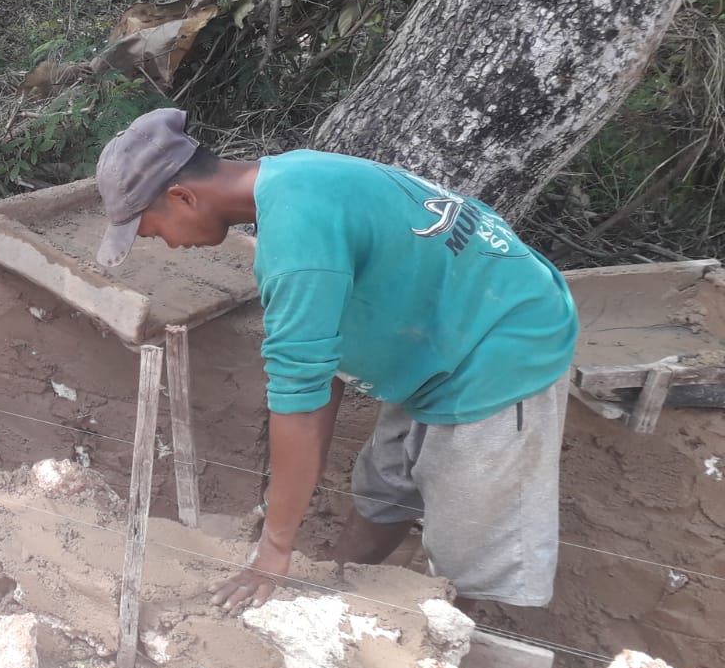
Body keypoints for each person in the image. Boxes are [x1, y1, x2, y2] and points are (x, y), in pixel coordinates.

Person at [94, 108, 578, 611]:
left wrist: (274, 548)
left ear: (182, 197)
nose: (169, 244)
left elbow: (300, 398)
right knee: (384, 485)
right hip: (441, 328)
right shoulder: (293, 175)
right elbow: (321, 374)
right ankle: (336, 584)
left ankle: (454, 635)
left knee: (469, 544)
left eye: (153, 231)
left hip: (502, 344)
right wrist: (284, 512)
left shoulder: (298, 241)